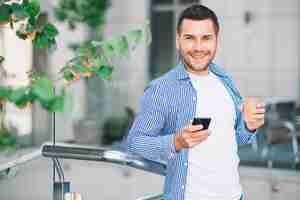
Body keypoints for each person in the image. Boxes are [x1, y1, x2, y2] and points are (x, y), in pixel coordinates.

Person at [127, 4, 265, 200]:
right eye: (190, 38)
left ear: (217, 40)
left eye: (206, 38)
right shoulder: (162, 89)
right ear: (178, 41)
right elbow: (135, 143)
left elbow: (234, 140)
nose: (198, 47)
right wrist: (175, 141)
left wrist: (249, 126)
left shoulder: (224, 80)